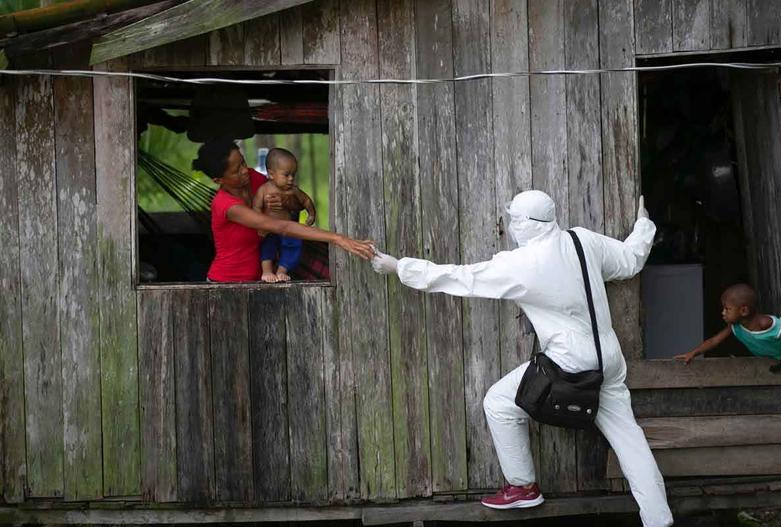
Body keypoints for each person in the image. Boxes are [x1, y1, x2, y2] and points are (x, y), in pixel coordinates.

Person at [371, 190, 673, 527]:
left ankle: (523, 486)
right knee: (630, 441)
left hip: (570, 365)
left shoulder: (522, 265)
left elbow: (461, 277)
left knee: (498, 402)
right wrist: (644, 225)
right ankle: (659, 520)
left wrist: (399, 267)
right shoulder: (581, 240)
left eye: (515, 220)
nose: (511, 226)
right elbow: (631, 260)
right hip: (609, 361)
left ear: (528, 224)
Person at [192, 138, 373, 282]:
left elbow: (293, 207)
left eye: (243, 162)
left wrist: (286, 202)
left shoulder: (254, 178)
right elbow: (280, 227)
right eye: (236, 171)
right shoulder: (226, 205)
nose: (245, 171)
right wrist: (337, 238)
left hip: (261, 279)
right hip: (226, 283)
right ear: (218, 180)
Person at [674, 284, 781, 367]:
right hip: (770, 362)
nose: (723, 313)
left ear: (743, 311)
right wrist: (693, 353)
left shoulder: (765, 323)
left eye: (727, 309)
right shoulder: (735, 326)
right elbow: (714, 341)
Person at [252, 148, 316, 283]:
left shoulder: (293, 191)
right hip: (269, 229)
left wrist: (311, 214)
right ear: (271, 174)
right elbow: (256, 208)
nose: (291, 179)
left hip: (288, 229)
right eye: (286, 175)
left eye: (294, 174)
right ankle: (267, 271)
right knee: (266, 249)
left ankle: (282, 270)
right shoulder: (263, 190)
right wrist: (260, 226)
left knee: (294, 246)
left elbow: (306, 201)